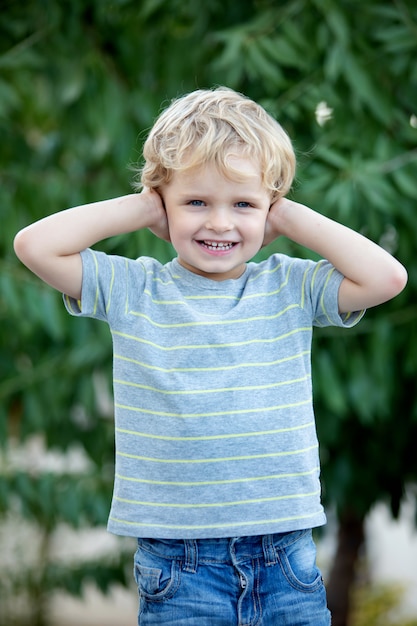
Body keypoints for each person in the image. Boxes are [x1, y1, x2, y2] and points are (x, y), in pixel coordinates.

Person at [14, 87, 407, 625]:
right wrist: (144, 205)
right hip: (181, 564)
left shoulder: (288, 285)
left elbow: (387, 277)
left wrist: (287, 216)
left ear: (269, 207)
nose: (220, 223)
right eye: (196, 201)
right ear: (164, 203)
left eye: (243, 204)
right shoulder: (134, 288)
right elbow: (34, 245)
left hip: (284, 555)